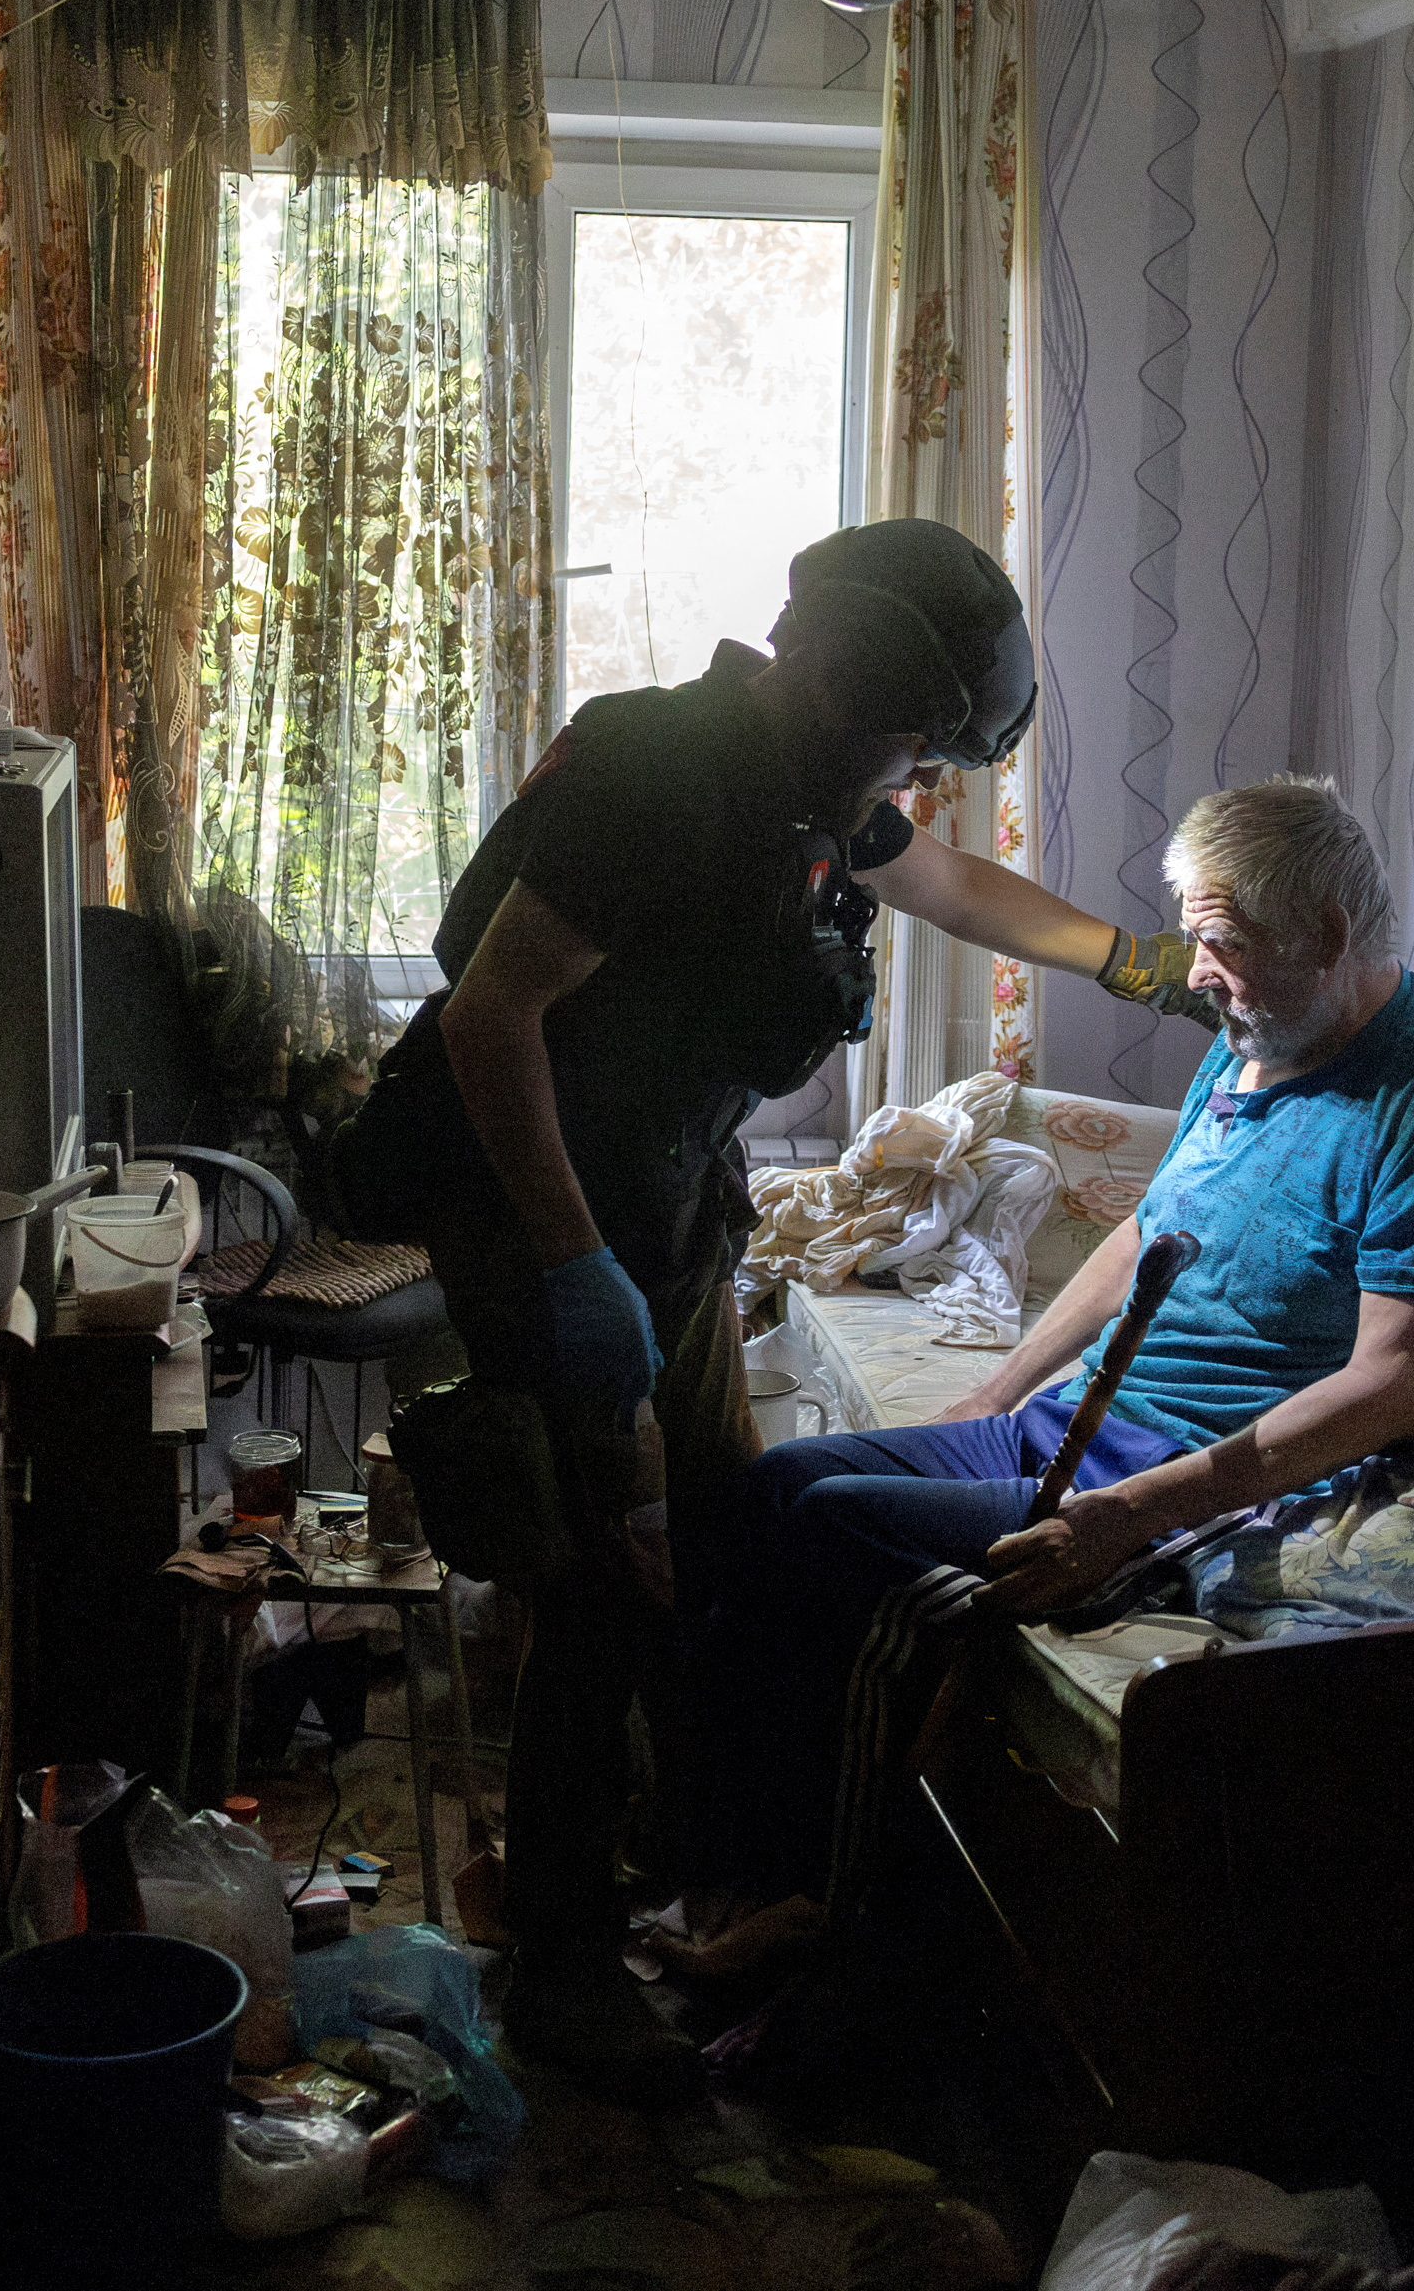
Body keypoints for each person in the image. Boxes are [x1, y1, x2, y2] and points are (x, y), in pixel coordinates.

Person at [333, 517, 1208, 2097]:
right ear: (833, 688)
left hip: (660, 1209)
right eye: (913, 742)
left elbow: (953, 886)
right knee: (605, 1568)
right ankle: (561, 1965)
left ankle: (687, 1864)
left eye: (939, 752)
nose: (920, 780)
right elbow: (489, 1014)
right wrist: (572, 1261)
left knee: (718, 1532)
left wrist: (1131, 962)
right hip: (541, 1204)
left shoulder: (821, 794)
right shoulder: (655, 772)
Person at [690, 774, 1414, 1942]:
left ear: (1331, 934)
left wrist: (1131, 1514)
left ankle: (821, 1909)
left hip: (1209, 1478)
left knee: (832, 1526)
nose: (1193, 971)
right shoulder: (1251, 1037)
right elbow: (1148, 1231)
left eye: (1218, 942)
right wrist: (993, 1393)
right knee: (774, 1487)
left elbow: (1387, 1388)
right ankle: (735, 1860)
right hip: (1085, 1423)